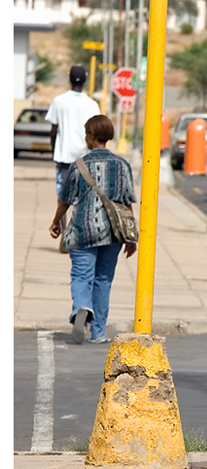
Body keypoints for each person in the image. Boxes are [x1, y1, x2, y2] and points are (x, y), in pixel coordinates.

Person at [49, 114, 137, 345]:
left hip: (82, 230)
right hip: (113, 233)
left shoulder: (79, 165)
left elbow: (65, 200)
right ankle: (98, 332)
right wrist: (131, 236)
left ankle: (81, 307)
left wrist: (56, 221)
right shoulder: (122, 165)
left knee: (81, 275)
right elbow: (127, 202)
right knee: (103, 279)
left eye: (87, 133)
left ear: (92, 136)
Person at [46, 65, 100, 196]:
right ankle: (78, 217)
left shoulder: (59, 101)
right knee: (81, 197)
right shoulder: (92, 105)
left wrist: (54, 150)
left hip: (64, 157)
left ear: (69, 78)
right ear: (85, 80)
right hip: (85, 159)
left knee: (62, 197)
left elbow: (53, 130)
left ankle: (62, 218)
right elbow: (96, 132)